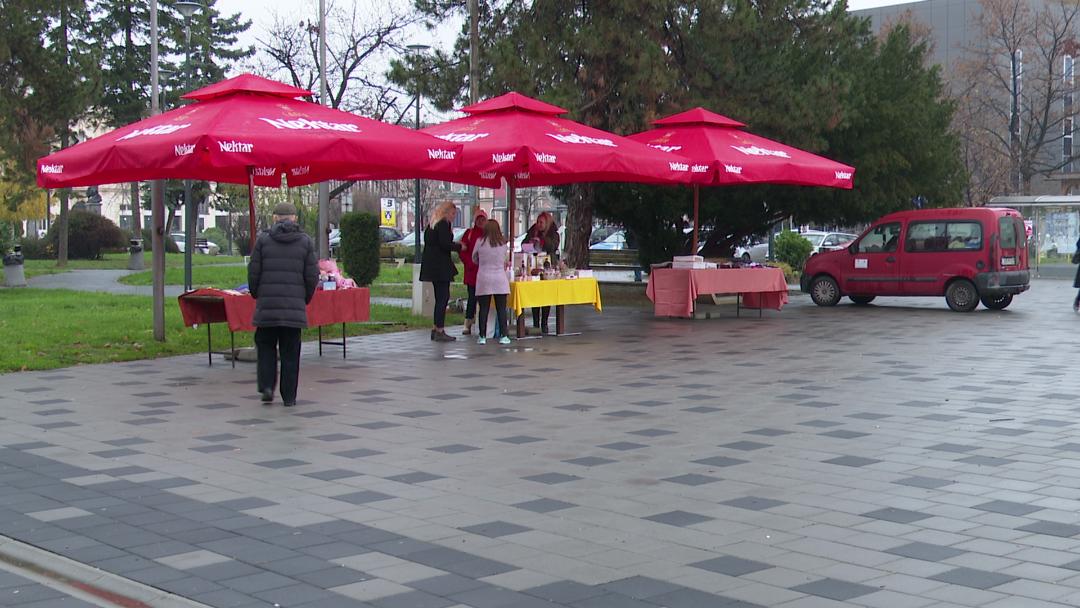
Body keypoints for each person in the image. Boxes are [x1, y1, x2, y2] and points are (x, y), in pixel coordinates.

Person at [247, 202, 318, 407]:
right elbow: (312, 276)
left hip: (267, 306)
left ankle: (267, 386)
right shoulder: (305, 242)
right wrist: (304, 298)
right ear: (294, 218)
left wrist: (257, 294)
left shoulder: (263, 240)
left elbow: (253, 272)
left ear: (274, 217)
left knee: (266, 346)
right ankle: (289, 396)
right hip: (293, 309)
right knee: (290, 352)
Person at [420, 201, 462, 342]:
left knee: (440, 297)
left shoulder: (432, 224)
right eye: (452, 213)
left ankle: (435, 327)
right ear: (446, 212)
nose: (453, 216)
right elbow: (445, 244)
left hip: (432, 266)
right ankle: (439, 329)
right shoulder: (443, 224)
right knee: (443, 298)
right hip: (440, 267)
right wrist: (460, 247)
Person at [472, 219, 512, 345]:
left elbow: (474, 258)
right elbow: (505, 261)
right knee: (501, 308)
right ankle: (504, 335)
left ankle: (482, 336)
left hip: (484, 277)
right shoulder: (503, 244)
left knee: (484, 308)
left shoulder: (480, 242)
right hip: (499, 278)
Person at [524, 211, 559, 333]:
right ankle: (535, 323)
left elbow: (553, 246)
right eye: (537, 222)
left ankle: (544, 323)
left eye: (541, 222)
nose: (538, 224)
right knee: (535, 295)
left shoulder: (553, 233)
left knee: (546, 296)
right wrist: (530, 243)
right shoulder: (533, 230)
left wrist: (543, 239)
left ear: (547, 223)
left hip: (547, 266)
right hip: (534, 265)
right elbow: (524, 243)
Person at [458, 208, 487, 335]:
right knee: (472, 299)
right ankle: (468, 323)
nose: (481, 221)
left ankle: (482, 324)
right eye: (478, 219)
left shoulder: (488, 234)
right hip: (472, 272)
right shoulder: (469, 234)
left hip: (485, 272)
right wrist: (469, 263)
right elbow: (462, 251)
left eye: (483, 219)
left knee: (484, 300)